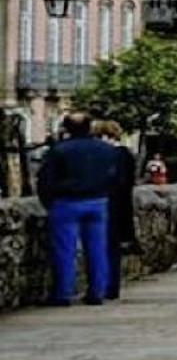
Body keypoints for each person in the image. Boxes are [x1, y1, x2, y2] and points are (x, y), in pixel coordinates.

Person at [38, 112, 122, 306]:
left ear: (67, 128)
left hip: (66, 202)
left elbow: (45, 180)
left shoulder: (59, 150)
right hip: (98, 201)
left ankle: (62, 293)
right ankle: (97, 292)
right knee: (97, 249)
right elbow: (116, 179)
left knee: (64, 250)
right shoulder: (106, 150)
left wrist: (49, 202)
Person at [91, 120, 140, 301]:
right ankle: (112, 286)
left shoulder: (100, 154)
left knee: (98, 245)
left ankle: (98, 286)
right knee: (113, 248)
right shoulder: (125, 154)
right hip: (120, 205)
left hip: (103, 202)